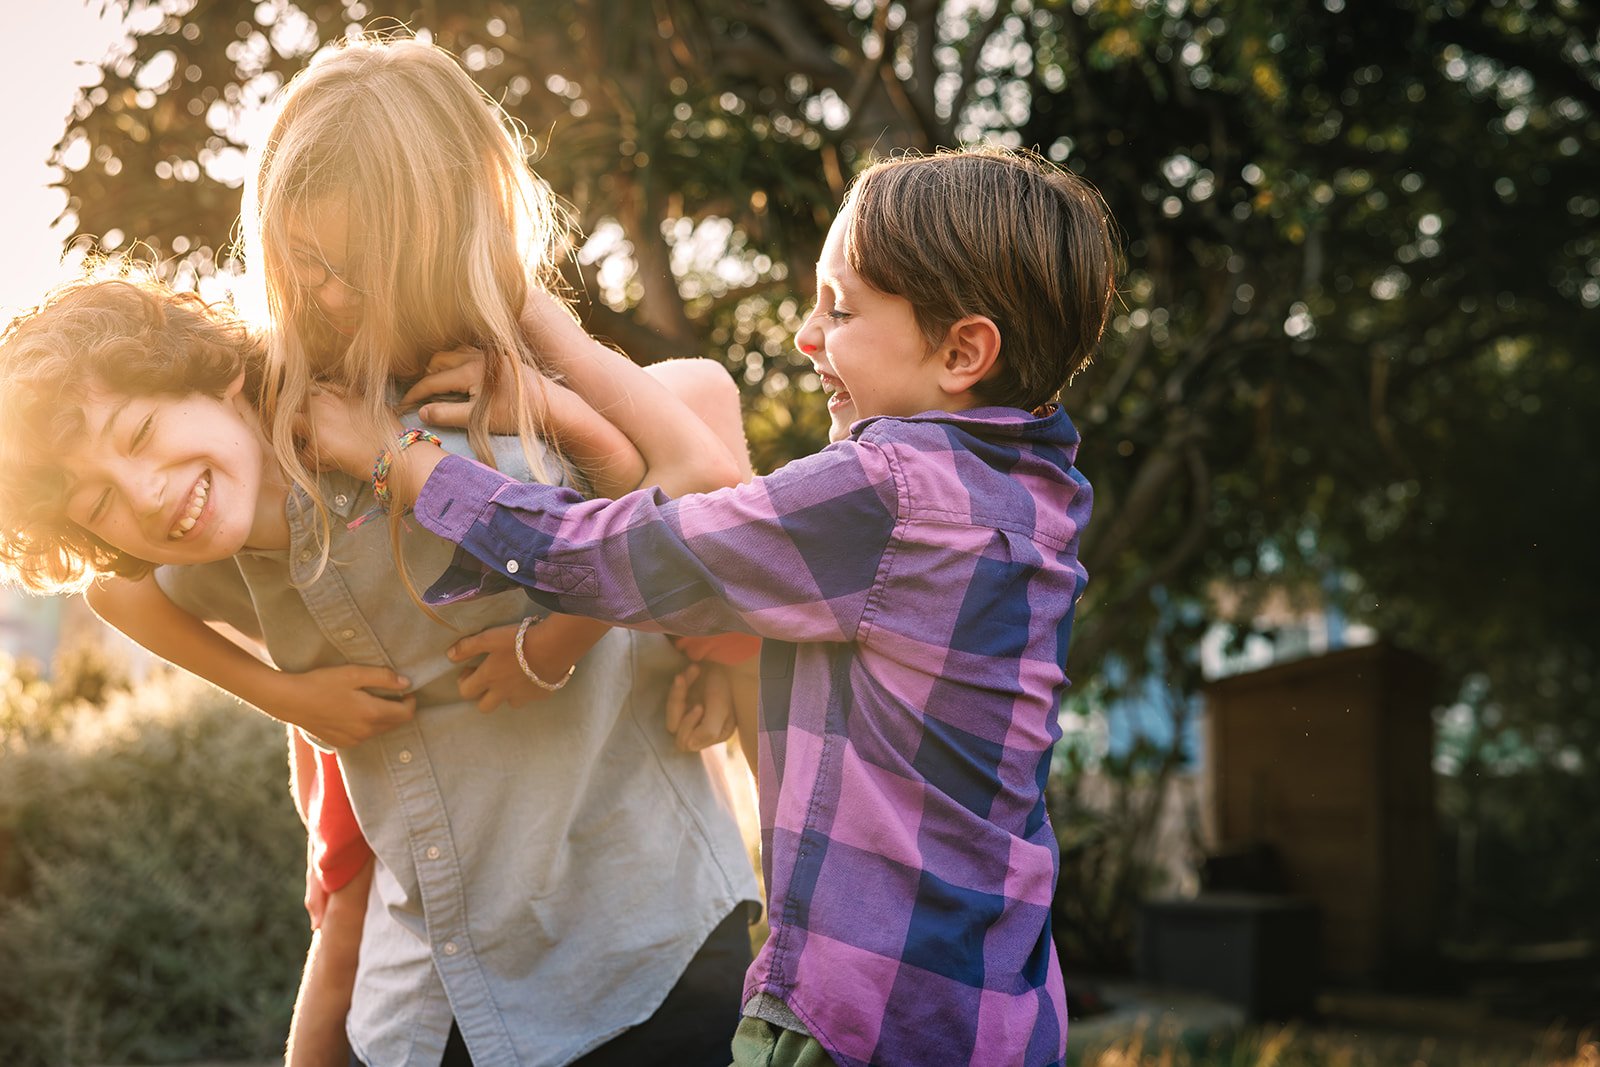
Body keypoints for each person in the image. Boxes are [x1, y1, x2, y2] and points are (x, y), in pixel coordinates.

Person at [0, 35, 758, 1067]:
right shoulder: (234, 471)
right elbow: (116, 589)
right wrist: (285, 695)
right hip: (438, 960)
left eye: (356, 269)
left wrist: (589, 634)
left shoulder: (478, 381)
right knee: (345, 906)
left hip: (635, 938)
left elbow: (691, 457)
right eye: (305, 270)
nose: (335, 301)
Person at [310, 145, 1119, 1067]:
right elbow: (813, 612)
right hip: (992, 1010)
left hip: (862, 1022)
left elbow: (623, 555)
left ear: (964, 350)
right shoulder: (1031, 494)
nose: (808, 337)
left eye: (841, 310)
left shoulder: (888, 495)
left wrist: (402, 461)